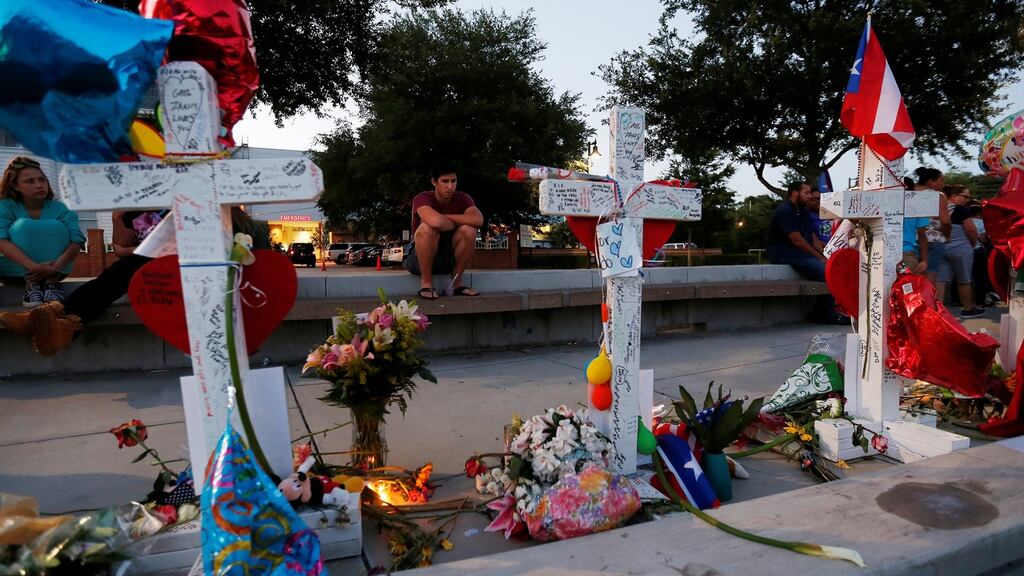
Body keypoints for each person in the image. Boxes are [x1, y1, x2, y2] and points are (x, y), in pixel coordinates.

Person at [0, 207, 270, 356]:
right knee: (124, 270)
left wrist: (142, 251)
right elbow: (120, 246)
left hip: (201, 274)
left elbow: (198, 244)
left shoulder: (199, 200)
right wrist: (119, 217)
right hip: (154, 273)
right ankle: (56, 322)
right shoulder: (137, 208)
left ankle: (58, 320)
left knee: (128, 266)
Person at [0, 156, 85, 307]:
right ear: (15, 186)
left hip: (57, 271)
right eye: (30, 181)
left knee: (56, 227)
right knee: (23, 226)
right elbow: (1, 240)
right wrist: (34, 267)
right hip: (14, 272)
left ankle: (51, 286)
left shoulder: (63, 208)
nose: (39, 185)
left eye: (42, 180)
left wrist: (54, 268)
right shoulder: (5, 206)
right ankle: (32, 286)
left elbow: (77, 239)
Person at [403, 163, 483, 299]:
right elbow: (436, 222)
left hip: (448, 259)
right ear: (434, 182)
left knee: (469, 230)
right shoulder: (422, 198)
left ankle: (456, 284)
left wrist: (445, 219)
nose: (450, 186)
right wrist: (460, 220)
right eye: (445, 181)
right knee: (427, 228)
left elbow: (478, 219)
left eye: (453, 181)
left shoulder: (463, 198)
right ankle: (426, 283)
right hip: (419, 260)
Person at [936, 185, 984, 318]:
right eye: (965, 197)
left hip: (941, 246)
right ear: (953, 196)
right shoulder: (961, 210)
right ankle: (968, 309)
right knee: (964, 280)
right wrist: (973, 243)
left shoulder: (938, 209)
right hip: (961, 248)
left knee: (941, 280)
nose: (967, 200)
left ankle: (937, 309)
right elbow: (971, 229)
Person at [767, 181, 826, 281]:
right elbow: (798, 241)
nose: (810, 196)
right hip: (784, 253)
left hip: (802, 254)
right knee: (824, 272)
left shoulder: (803, 211)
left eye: (810, 193)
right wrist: (819, 257)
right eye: (806, 193)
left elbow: (812, 236)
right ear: (795, 193)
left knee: (831, 268)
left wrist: (824, 253)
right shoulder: (785, 211)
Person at [909, 167, 951, 287]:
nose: (943, 184)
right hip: (934, 239)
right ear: (930, 182)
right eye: (941, 180)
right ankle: (929, 304)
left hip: (912, 239)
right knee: (930, 276)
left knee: (913, 275)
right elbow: (945, 221)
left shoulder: (909, 193)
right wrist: (948, 235)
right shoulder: (938, 196)